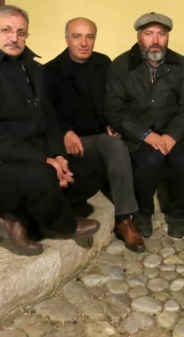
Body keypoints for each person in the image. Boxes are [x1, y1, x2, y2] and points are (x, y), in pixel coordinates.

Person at [0, 5, 103, 256]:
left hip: (25, 158)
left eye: (21, 32)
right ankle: (61, 225)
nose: (14, 37)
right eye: (6, 30)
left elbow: (49, 119)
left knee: (91, 169)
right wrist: (43, 161)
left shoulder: (32, 68)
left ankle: (17, 219)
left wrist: (57, 155)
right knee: (41, 177)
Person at [43, 17, 145, 252]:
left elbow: (112, 101)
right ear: (67, 39)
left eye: (89, 37)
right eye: (77, 36)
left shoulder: (103, 63)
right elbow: (46, 114)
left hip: (97, 137)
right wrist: (65, 133)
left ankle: (124, 221)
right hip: (65, 140)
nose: (84, 43)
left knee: (116, 145)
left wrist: (111, 124)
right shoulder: (50, 70)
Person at [105, 12, 184, 239]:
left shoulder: (181, 64)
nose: (156, 40)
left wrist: (172, 135)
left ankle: (178, 214)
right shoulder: (121, 65)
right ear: (139, 37)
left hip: (174, 130)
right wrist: (145, 134)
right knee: (149, 160)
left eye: (161, 34)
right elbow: (114, 109)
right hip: (138, 133)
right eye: (149, 34)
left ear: (168, 37)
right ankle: (143, 212)